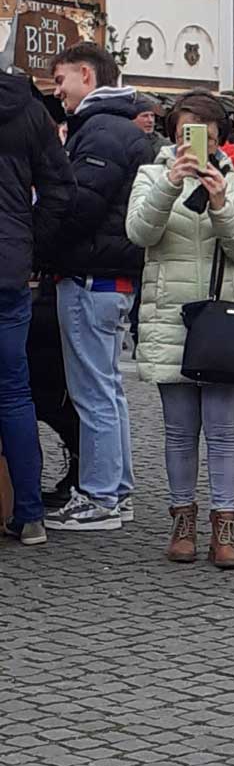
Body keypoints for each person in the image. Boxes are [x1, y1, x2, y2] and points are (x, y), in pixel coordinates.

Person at [125, 93, 234, 567]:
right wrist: (169, 184)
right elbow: (140, 233)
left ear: (219, 136)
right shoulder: (150, 176)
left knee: (223, 432)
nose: (193, 143)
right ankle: (182, 521)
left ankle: (225, 527)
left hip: (222, 321)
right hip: (169, 318)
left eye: (202, 132)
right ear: (173, 135)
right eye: (186, 133)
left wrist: (221, 201)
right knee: (179, 432)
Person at [44, 44, 154, 530]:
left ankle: (100, 497)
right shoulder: (120, 127)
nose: (58, 91)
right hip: (111, 275)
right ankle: (115, 490)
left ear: (86, 75)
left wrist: (39, 245)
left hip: (91, 276)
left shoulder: (101, 132)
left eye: (61, 79)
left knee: (93, 392)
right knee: (107, 391)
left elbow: (77, 207)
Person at [0, 65, 74, 544]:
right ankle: (28, 514)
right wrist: (30, 245)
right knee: (14, 394)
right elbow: (59, 189)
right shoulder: (28, 109)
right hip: (8, 266)